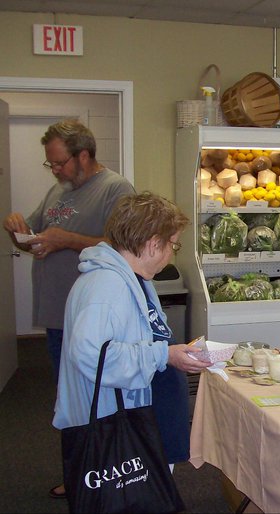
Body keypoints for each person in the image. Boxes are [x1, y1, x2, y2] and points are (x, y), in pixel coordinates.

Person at [2, 119, 136, 499]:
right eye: (51, 163)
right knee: (70, 398)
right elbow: (35, 239)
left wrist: (66, 240)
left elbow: (125, 246)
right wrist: (18, 231)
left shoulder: (115, 188)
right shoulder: (58, 191)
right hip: (58, 313)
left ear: (84, 155)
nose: (55, 170)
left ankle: (103, 474)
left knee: (95, 398)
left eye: (60, 162)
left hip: (90, 316)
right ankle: (81, 472)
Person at [52, 192, 212, 475]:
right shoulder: (106, 286)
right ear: (153, 244)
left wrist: (172, 352)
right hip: (120, 432)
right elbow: (92, 356)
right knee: (132, 495)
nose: (172, 253)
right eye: (173, 245)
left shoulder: (135, 279)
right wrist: (164, 355)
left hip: (141, 424)